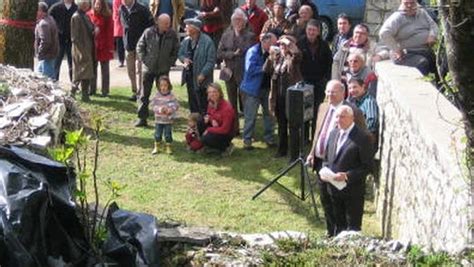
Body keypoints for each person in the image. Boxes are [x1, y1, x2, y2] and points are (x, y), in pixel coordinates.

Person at [306, 79, 366, 237]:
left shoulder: (352, 111)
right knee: (325, 199)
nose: (329, 95)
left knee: (340, 204)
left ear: (343, 93)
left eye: (333, 92)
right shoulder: (323, 106)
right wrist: (313, 152)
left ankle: (342, 234)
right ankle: (330, 231)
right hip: (322, 162)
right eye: (327, 91)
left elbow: (362, 139)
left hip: (342, 166)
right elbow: (318, 132)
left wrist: (350, 173)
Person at [322, 105, 372, 235]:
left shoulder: (363, 138)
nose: (338, 120)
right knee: (338, 226)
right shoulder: (334, 134)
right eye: (337, 117)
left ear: (352, 118)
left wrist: (347, 176)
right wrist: (324, 171)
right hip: (333, 190)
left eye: (342, 117)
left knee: (352, 230)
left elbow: (367, 166)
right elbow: (327, 158)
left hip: (352, 193)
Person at [217, 8, 256, 136]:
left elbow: (248, 51)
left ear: (245, 22)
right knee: (231, 103)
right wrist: (232, 54)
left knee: (246, 104)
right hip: (229, 74)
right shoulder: (226, 34)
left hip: (244, 74)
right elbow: (219, 52)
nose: (238, 22)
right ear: (232, 21)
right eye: (235, 20)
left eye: (240, 20)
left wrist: (235, 53)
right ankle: (234, 129)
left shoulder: (250, 36)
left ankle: (248, 131)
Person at [136, 14, 179, 127]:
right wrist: (145, 60)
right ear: (158, 23)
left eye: (168, 23)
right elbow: (140, 47)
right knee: (144, 94)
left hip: (163, 69)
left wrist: (170, 62)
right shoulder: (148, 32)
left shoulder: (172, 34)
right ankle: (142, 118)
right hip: (149, 69)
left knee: (165, 94)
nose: (167, 26)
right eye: (165, 23)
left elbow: (176, 50)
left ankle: (166, 117)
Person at [265, 34, 302, 160]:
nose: (282, 47)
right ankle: (282, 150)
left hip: (292, 97)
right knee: (281, 124)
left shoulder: (294, 58)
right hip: (279, 96)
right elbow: (266, 70)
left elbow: (297, 55)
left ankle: (294, 155)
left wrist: (290, 46)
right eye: (281, 44)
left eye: (285, 45)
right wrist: (270, 56)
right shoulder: (277, 57)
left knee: (293, 126)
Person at [379, 0, 438, 76]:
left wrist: (432, 35)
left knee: (442, 62)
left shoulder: (422, 12)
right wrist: (397, 50)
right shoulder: (397, 17)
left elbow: (434, 26)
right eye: (406, 3)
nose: (409, 5)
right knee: (422, 63)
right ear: (401, 3)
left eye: (412, 3)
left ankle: (440, 86)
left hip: (424, 50)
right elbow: (384, 33)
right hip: (406, 53)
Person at [240, 32, 277, 150]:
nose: (274, 46)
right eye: (272, 44)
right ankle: (247, 140)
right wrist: (266, 66)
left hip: (268, 89)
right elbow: (250, 69)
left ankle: (269, 138)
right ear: (265, 42)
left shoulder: (274, 53)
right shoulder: (253, 51)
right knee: (250, 116)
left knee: (269, 115)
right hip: (252, 89)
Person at [297, 19, 332, 142]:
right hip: (305, 83)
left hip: (319, 83)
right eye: (309, 29)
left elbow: (329, 64)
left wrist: (326, 79)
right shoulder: (300, 43)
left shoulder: (324, 45)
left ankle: (315, 136)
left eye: (314, 30)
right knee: (305, 110)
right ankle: (305, 138)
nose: (311, 32)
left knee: (317, 111)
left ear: (318, 32)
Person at [178, 18, 216, 114]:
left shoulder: (207, 42)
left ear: (195, 29)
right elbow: (180, 54)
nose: (185, 28)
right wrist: (184, 60)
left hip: (202, 79)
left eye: (188, 26)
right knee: (192, 102)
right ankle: (195, 123)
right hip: (190, 76)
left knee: (203, 104)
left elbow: (211, 61)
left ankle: (204, 124)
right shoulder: (186, 41)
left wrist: (203, 74)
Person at [120, 0, 154, 101]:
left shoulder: (142, 9)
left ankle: (140, 92)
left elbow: (150, 25)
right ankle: (134, 91)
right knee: (130, 69)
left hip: (140, 44)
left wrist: (146, 41)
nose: (124, 1)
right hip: (128, 44)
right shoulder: (122, 9)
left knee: (139, 69)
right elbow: (124, 26)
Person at [87, 0, 114, 97]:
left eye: (99, 4)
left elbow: (110, 33)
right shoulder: (88, 14)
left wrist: (110, 47)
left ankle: (105, 91)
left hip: (104, 46)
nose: (97, 6)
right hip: (92, 46)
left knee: (105, 70)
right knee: (93, 69)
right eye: (96, 4)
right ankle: (92, 89)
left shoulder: (107, 15)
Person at [200, 83, 235, 156]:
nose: (212, 94)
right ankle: (210, 146)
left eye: (214, 92)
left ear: (220, 93)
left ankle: (226, 146)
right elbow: (209, 114)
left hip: (226, 133)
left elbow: (225, 129)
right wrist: (210, 119)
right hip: (216, 127)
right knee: (200, 121)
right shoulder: (211, 103)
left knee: (205, 138)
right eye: (209, 92)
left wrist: (209, 129)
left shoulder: (227, 108)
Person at [71, 0, 94, 102]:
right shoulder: (76, 17)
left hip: (87, 47)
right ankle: (72, 92)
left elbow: (90, 28)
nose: (87, 5)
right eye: (85, 4)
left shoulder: (85, 15)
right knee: (79, 73)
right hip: (80, 49)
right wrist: (80, 51)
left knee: (87, 73)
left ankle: (85, 95)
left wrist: (94, 30)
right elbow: (74, 37)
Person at [49, 0, 77, 81]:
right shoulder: (55, 7)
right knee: (56, 62)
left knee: (72, 63)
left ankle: (74, 82)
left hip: (71, 40)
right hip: (59, 39)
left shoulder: (76, 8)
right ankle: (54, 81)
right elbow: (49, 19)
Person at [347, 78, 379, 150]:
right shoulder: (353, 101)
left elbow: (372, 121)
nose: (352, 90)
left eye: (355, 87)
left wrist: (361, 136)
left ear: (363, 86)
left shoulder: (369, 101)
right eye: (350, 88)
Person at [151, 76, 179, 155]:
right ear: (159, 86)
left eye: (165, 85)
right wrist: (160, 109)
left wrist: (170, 109)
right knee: (157, 134)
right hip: (159, 119)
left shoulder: (171, 96)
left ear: (169, 85)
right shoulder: (156, 96)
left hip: (168, 120)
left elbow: (176, 105)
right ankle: (157, 146)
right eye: (161, 85)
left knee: (168, 134)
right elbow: (152, 106)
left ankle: (168, 146)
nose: (163, 87)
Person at [35, 2, 59, 80]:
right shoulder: (50, 19)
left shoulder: (43, 24)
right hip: (50, 55)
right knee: (40, 77)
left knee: (47, 81)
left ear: (41, 11)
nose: (36, 13)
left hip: (46, 56)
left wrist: (40, 52)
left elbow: (46, 41)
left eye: (37, 10)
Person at [113, 0, 125, 67]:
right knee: (120, 44)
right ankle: (121, 60)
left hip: (125, 25)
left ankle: (122, 60)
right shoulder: (116, 1)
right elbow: (116, 12)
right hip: (119, 24)